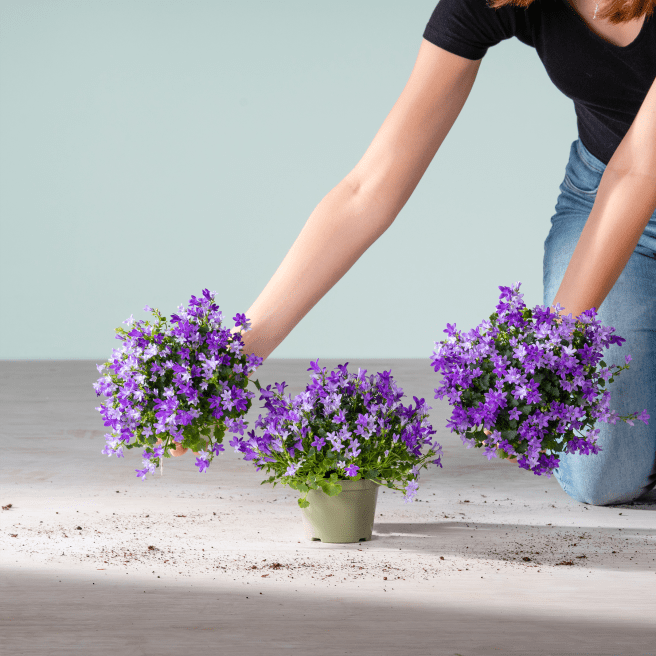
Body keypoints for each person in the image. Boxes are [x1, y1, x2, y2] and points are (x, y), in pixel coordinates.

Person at [175, 0, 656, 506]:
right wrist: (230, 360)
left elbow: (640, 171)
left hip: (632, 181)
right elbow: (367, 190)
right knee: (605, 476)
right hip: (599, 196)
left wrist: (546, 353)